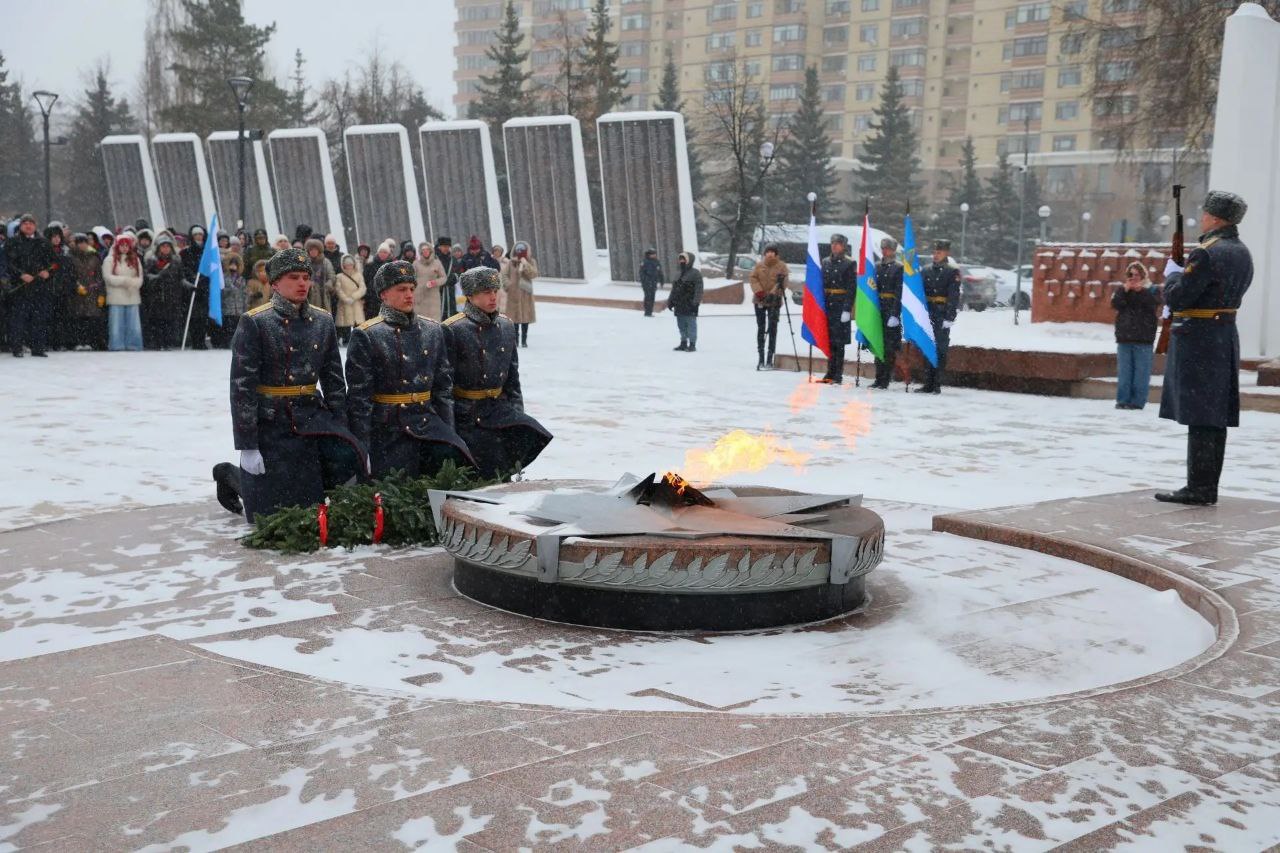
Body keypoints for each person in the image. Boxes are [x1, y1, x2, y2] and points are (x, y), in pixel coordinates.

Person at [228, 247, 367, 522]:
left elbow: (334, 381)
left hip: (311, 417)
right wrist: (248, 445)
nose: (303, 283)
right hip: (272, 423)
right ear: (276, 283)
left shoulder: (323, 320)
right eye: (294, 277)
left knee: (311, 503)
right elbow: (242, 387)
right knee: (266, 515)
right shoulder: (255, 322)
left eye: (306, 277)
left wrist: (341, 429)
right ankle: (230, 475)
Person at [1155, 190, 1253, 506]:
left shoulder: (1207, 252)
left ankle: (1198, 487)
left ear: (1214, 217)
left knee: (1201, 416)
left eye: (1206, 213)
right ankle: (1205, 485)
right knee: (1214, 416)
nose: (1203, 217)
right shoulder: (1241, 251)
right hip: (1223, 336)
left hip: (1198, 339)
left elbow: (1180, 296)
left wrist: (1172, 277)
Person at [345, 260, 474, 479]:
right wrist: (362, 447)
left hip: (428, 427)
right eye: (401, 289)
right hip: (388, 433)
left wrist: (449, 434)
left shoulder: (433, 330)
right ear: (383, 294)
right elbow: (360, 400)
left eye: (412, 289)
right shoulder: (367, 335)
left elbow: (443, 390)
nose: (409, 295)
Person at [442, 267, 552, 479]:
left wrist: (516, 419)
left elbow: (512, 380)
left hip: (500, 412)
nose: (493, 297)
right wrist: (450, 430)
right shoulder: (453, 329)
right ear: (471, 296)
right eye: (485, 292)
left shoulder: (506, 325)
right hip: (468, 416)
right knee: (479, 474)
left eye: (495, 290)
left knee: (522, 447)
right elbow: (444, 386)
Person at [4, 213, 56, 357]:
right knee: (18, 318)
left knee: (39, 318)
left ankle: (38, 348)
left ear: (35, 225)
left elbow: (54, 263)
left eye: (31, 223)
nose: (28, 225)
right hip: (19, 287)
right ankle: (17, 348)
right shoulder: (12, 242)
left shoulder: (44, 242)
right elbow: (8, 263)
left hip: (39, 286)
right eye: (25, 223)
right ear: (20, 226)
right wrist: (20, 274)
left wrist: (48, 273)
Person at [1111, 261, 1159, 410]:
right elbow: (1116, 304)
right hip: (1124, 337)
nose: (1134, 278)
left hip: (1144, 338)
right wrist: (1125, 291)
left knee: (1141, 373)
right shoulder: (1122, 290)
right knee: (1124, 372)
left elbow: (1154, 304)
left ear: (1143, 275)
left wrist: (1141, 291)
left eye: (1137, 275)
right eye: (1131, 275)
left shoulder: (1152, 290)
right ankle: (1122, 400)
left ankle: (1137, 402)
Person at [917, 239, 961, 394]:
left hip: (941, 314)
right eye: (934, 252)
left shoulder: (952, 271)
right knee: (927, 347)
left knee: (940, 349)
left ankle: (936, 383)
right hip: (928, 313)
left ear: (946, 253)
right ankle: (927, 382)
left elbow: (953, 296)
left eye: (939, 252)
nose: (936, 255)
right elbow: (920, 292)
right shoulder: (926, 270)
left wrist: (950, 317)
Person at [820, 234, 856, 383]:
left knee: (838, 342)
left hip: (840, 305)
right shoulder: (825, 262)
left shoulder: (849, 263)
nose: (834, 246)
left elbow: (851, 287)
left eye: (838, 243)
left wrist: (847, 309)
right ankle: (829, 371)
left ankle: (837, 374)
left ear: (844, 246)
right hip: (828, 304)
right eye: (833, 243)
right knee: (828, 340)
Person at [143, 233, 188, 350]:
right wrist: (157, 277)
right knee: (157, 321)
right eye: (163, 246)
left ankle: (168, 343)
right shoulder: (152, 261)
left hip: (172, 296)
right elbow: (146, 276)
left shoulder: (176, 261)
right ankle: (158, 343)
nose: (166, 249)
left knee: (170, 321)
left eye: (168, 246)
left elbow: (181, 278)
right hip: (157, 296)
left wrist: (189, 286)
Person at [871, 237, 905, 389]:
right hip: (878, 309)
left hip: (890, 308)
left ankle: (885, 378)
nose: (885, 251)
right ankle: (878, 377)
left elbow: (899, 292)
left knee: (889, 347)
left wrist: (895, 314)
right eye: (883, 248)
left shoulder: (899, 268)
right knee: (877, 345)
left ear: (893, 250)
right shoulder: (877, 266)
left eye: (888, 249)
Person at [748, 244, 788, 370]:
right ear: (765, 253)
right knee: (761, 327)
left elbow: (784, 282)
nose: (770, 254)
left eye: (772, 252)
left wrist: (774, 294)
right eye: (768, 252)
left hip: (774, 301)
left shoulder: (782, 266)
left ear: (776, 254)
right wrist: (759, 292)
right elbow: (753, 279)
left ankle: (770, 359)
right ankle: (761, 358)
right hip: (759, 299)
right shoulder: (759, 265)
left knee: (772, 328)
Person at [103, 232, 144, 351]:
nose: (124, 248)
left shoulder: (135, 259)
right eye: (122, 245)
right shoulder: (109, 260)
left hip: (132, 295)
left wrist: (133, 284)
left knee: (134, 325)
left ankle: (134, 345)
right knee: (116, 324)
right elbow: (108, 277)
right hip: (116, 297)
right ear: (117, 246)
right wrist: (124, 281)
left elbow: (140, 278)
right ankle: (117, 345)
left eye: (127, 245)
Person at [68, 233, 107, 350]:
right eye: (80, 243)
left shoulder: (94, 257)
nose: (83, 245)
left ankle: (92, 342)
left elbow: (100, 276)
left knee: (92, 319)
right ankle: (79, 342)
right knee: (79, 318)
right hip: (77, 294)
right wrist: (76, 285)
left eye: (85, 242)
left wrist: (101, 294)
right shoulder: (71, 257)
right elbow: (69, 276)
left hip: (92, 292)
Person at [44, 225, 76, 350]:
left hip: (63, 289)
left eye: (58, 237)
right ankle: (48, 342)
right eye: (54, 237)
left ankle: (60, 342)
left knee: (62, 317)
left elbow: (71, 271)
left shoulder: (66, 251)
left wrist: (70, 285)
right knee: (48, 317)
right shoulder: (44, 250)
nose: (56, 239)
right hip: (48, 288)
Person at [502, 241, 538, 347]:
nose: (520, 252)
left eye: (522, 251)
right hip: (513, 294)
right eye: (518, 250)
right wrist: (508, 285)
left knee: (525, 317)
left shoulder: (531, 261)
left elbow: (534, 274)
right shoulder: (510, 263)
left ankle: (524, 340)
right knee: (515, 319)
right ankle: (516, 341)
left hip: (526, 294)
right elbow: (503, 275)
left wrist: (525, 264)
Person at [179, 224, 210, 349]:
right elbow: (183, 269)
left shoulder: (208, 252)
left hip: (204, 286)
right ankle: (195, 341)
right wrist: (192, 278)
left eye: (200, 235)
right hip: (191, 287)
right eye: (196, 235)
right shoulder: (185, 252)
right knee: (193, 316)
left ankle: (201, 340)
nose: (198, 237)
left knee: (203, 317)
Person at [669, 251, 703, 352]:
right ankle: (683, 342)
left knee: (691, 324)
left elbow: (699, 289)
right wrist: (670, 301)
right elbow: (674, 289)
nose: (681, 261)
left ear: (689, 260)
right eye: (680, 259)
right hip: (679, 303)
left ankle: (692, 344)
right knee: (681, 324)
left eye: (684, 259)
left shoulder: (695, 273)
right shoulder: (678, 273)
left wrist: (696, 302)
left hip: (690, 303)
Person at [212, 254, 247, 348]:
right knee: (227, 328)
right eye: (231, 264)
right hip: (227, 308)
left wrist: (245, 308)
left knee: (236, 329)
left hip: (238, 309)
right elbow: (221, 293)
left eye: (235, 264)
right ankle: (225, 344)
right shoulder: (223, 278)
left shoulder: (241, 279)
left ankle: (234, 344)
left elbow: (244, 295)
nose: (233, 266)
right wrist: (230, 290)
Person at [334, 254, 366, 343]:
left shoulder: (359, 275)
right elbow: (338, 289)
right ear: (343, 265)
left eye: (350, 264)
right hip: (344, 304)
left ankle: (359, 341)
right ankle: (346, 340)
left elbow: (362, 288)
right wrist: (346, 299)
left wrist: (353, 297)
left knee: (358, 324)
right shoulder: (339, 276)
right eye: (347, 264)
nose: (349, 266)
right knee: (345, 324)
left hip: (356, 303)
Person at [413, 240, 446, 320]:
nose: (425, 252)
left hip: (433, 297)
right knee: (421, 321)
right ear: (421, 252)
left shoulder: (437, 263)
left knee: (434, 321)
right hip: (419, 297)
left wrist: (435, 282)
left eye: (427, 250)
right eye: (423, 250)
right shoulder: (415, 264)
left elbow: (444, 278)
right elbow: (411, 279)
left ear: (431, 251)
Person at [304, 238, 335, 312]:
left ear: (319, 250)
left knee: (324, 314)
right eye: (311, 250)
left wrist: (327, 286)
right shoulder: (305, 262)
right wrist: (308, 283)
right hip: (309, 294)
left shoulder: (325, 262)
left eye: (315, 249)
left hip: (323, 293)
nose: (313, 252)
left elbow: (332, 276)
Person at [639, 247, 663, 317]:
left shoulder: (656, 261)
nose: (654, 255)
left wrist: (661, 280)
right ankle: (647, 312)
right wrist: (646, 280)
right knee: (648, 297)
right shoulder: (645, 262)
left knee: (652, 297)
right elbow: (641, 273)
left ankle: (650, 311)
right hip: (647, 283)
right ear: (649, 254)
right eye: (652, 254)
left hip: (654, 282)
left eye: (654, 254)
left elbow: (659, 271)